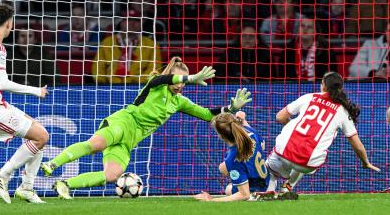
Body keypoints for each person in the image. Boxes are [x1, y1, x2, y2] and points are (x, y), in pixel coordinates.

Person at [41, 56, 251, 199]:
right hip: (122, 123)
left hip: (130, 141)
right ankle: (52, 163)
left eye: (184, 83)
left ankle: (65, 185)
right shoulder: (156, 83)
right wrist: (190, 77)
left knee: (113, 175)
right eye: (180, 80)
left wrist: (231, 107)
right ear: (173, 75)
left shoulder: (179, 102)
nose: (181, 86)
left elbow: (207, 114)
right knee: (95, 144)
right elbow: (163, 78)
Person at [0, 4, 49, 203]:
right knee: (41, 137)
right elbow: (3, 83)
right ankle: (3, 175)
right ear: (10, 24)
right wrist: (36, 91)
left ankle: (27, 188)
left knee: (39, 132)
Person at [259, 72, 380, 200]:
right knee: (314, 150)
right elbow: (357, 144)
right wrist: (365, 162)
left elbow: (280, 117)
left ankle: (268, 189)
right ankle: (287, 186)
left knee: (271, 169)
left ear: (323, 85)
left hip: (283, 152)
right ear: (340, 88)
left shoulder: (309, 97)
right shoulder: (343, 111)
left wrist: (291, 128)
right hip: (307, 163)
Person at [194, 111, 268, 202]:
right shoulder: (250, 134)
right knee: (224, 167)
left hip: (256, 193)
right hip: (267, 182)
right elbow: (263, 146)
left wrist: (211, 200)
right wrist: (244, 120)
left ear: (221, 136)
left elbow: (244, 195)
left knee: (228, 189)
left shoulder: (233, 159)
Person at [92, 9, 162, 84]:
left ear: (142, 24)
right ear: (121, 23)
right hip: (110, 87)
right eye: (128, 20)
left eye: (136, 20)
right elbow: (98, 67)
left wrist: (136, 83)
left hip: (140, 88)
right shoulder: (107, 43)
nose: (132, 23)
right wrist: (102, 85)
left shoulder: (151, 45)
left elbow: (154, 69)